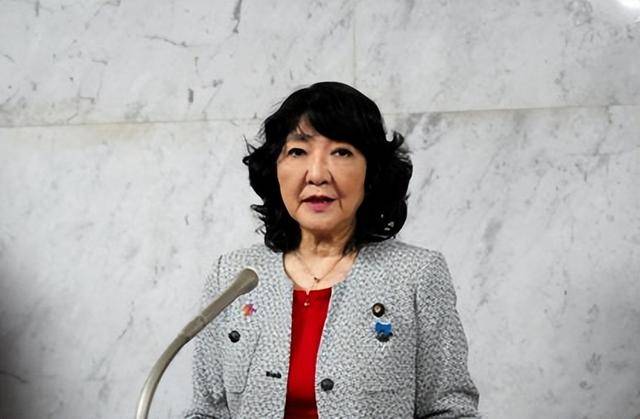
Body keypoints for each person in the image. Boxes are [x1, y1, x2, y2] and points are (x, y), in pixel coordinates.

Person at [184, 81, 479, 418]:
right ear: (275, 169)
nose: (317, 174)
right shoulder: (235, 277)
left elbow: (450, 410)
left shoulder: (416, 275)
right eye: (298, 151)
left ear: (370, 172)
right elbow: (207, 412)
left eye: (341, 152)